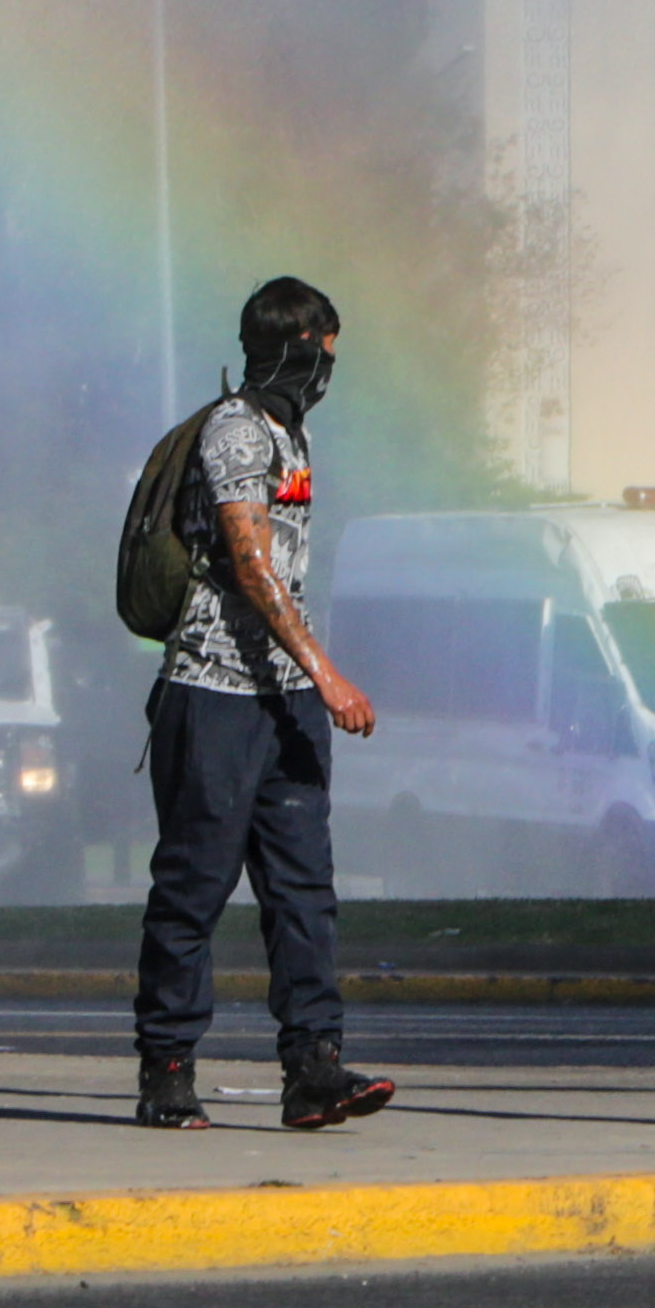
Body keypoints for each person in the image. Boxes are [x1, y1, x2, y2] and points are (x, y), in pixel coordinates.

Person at [132, 278, 395, 1132]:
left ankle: (313, 1068)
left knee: (301, 890)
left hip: (284, 702)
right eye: (323, 348)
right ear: (292, 342)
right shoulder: (237, 428)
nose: (327, 368)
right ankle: (167, 1070)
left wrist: (305, 683)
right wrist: (326, 672)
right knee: (193, 886)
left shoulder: (294, 433)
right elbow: (250, 564)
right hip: (213, 697)